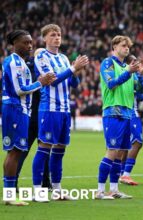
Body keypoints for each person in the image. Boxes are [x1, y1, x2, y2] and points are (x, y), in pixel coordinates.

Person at [32, 24, 89, 201]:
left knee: (60, 150)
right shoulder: (41, 56)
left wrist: (75, 71)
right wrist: (73, 69)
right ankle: (37, 191)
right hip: (49, 109)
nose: (57, 38)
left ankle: (57, 190)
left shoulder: (64, 58)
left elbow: (74, 84)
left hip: (64, 110)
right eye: (53, 35)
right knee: (44, 149)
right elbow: (53, 81)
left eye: (59, 35)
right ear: (44, 39)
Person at [2, 30, 55, 206]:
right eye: (25, 43)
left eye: (31, 42)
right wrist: (41, 82)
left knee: (16, 151)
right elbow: (19, 90)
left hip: (22, 110)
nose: (30, 46)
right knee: (14, 151)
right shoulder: (14, 62)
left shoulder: (22, 63)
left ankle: (10, 194)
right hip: (14, 109)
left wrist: (39, 81)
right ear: (15, 43)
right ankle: (9, 195)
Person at [96, 35, 142, 199]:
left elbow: (140, 92)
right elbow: (111, 83)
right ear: (114, 46)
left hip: (128, 113)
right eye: (123, 45)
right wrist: (129, 72)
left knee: (121, 153)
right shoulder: (108, 63)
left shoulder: (128, 67)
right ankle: (100, 191)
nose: (126, 48)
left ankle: (114, 189)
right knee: (112, 151)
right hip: (113, 111)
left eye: (128, 46)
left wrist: (139, 75)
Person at [16, 48, 52, 191]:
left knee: (26, 150)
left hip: (31, 114)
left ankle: (15, 181)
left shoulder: (27, 69)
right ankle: (45, 182)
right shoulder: (38, 72)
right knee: (43, 150)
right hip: (38, 114)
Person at [119, 55, 143, 186]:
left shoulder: (135, 75)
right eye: (135, 61)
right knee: (137, 142)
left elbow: (141, 95)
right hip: (129, 112)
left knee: (126, 144)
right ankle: (125, 174)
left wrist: (140, 75)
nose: (138, 63)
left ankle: (121, 174)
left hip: (131, 111)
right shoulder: (126, 73)